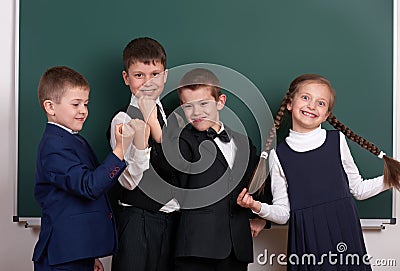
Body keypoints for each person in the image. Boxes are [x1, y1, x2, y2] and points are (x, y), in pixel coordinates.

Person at [245, 74, 400, 270]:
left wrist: (392, 178)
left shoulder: (337, 141)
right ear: (290, 104)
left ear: (326, 115)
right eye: (305, 97)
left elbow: (358, 190)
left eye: (320, 103)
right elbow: (284, 213)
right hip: (307, 240)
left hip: (344, 232)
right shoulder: (278, 155)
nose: (311, 106)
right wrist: (257, 206)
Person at [162, 67, 288, 271]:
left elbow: (259, 184)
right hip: (196, 249)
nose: (196, 112)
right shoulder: (181, 141)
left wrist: (262, 219)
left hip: (236, 248)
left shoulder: (244, 142)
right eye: (188, 106)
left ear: (220, 102)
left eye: (204, 103)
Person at [32, 66, 144, 271]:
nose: (83, 110)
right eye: (75, 104)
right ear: (50, 107)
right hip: (63, 257)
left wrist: (90, 255)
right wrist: (120, 149)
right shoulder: (54, 146)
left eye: (85, 103)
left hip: (78, 251)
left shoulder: (74, 140)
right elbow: (89, 186)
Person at [108, 37, 180, 271]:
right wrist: (142, 143)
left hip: (173, 224)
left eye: (155, 74)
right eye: (139, 75)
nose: (148, 82)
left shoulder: (173, 118)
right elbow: (128, 181)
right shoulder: (124, 119)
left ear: (165, 76)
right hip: (138, 222)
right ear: (126, 78)